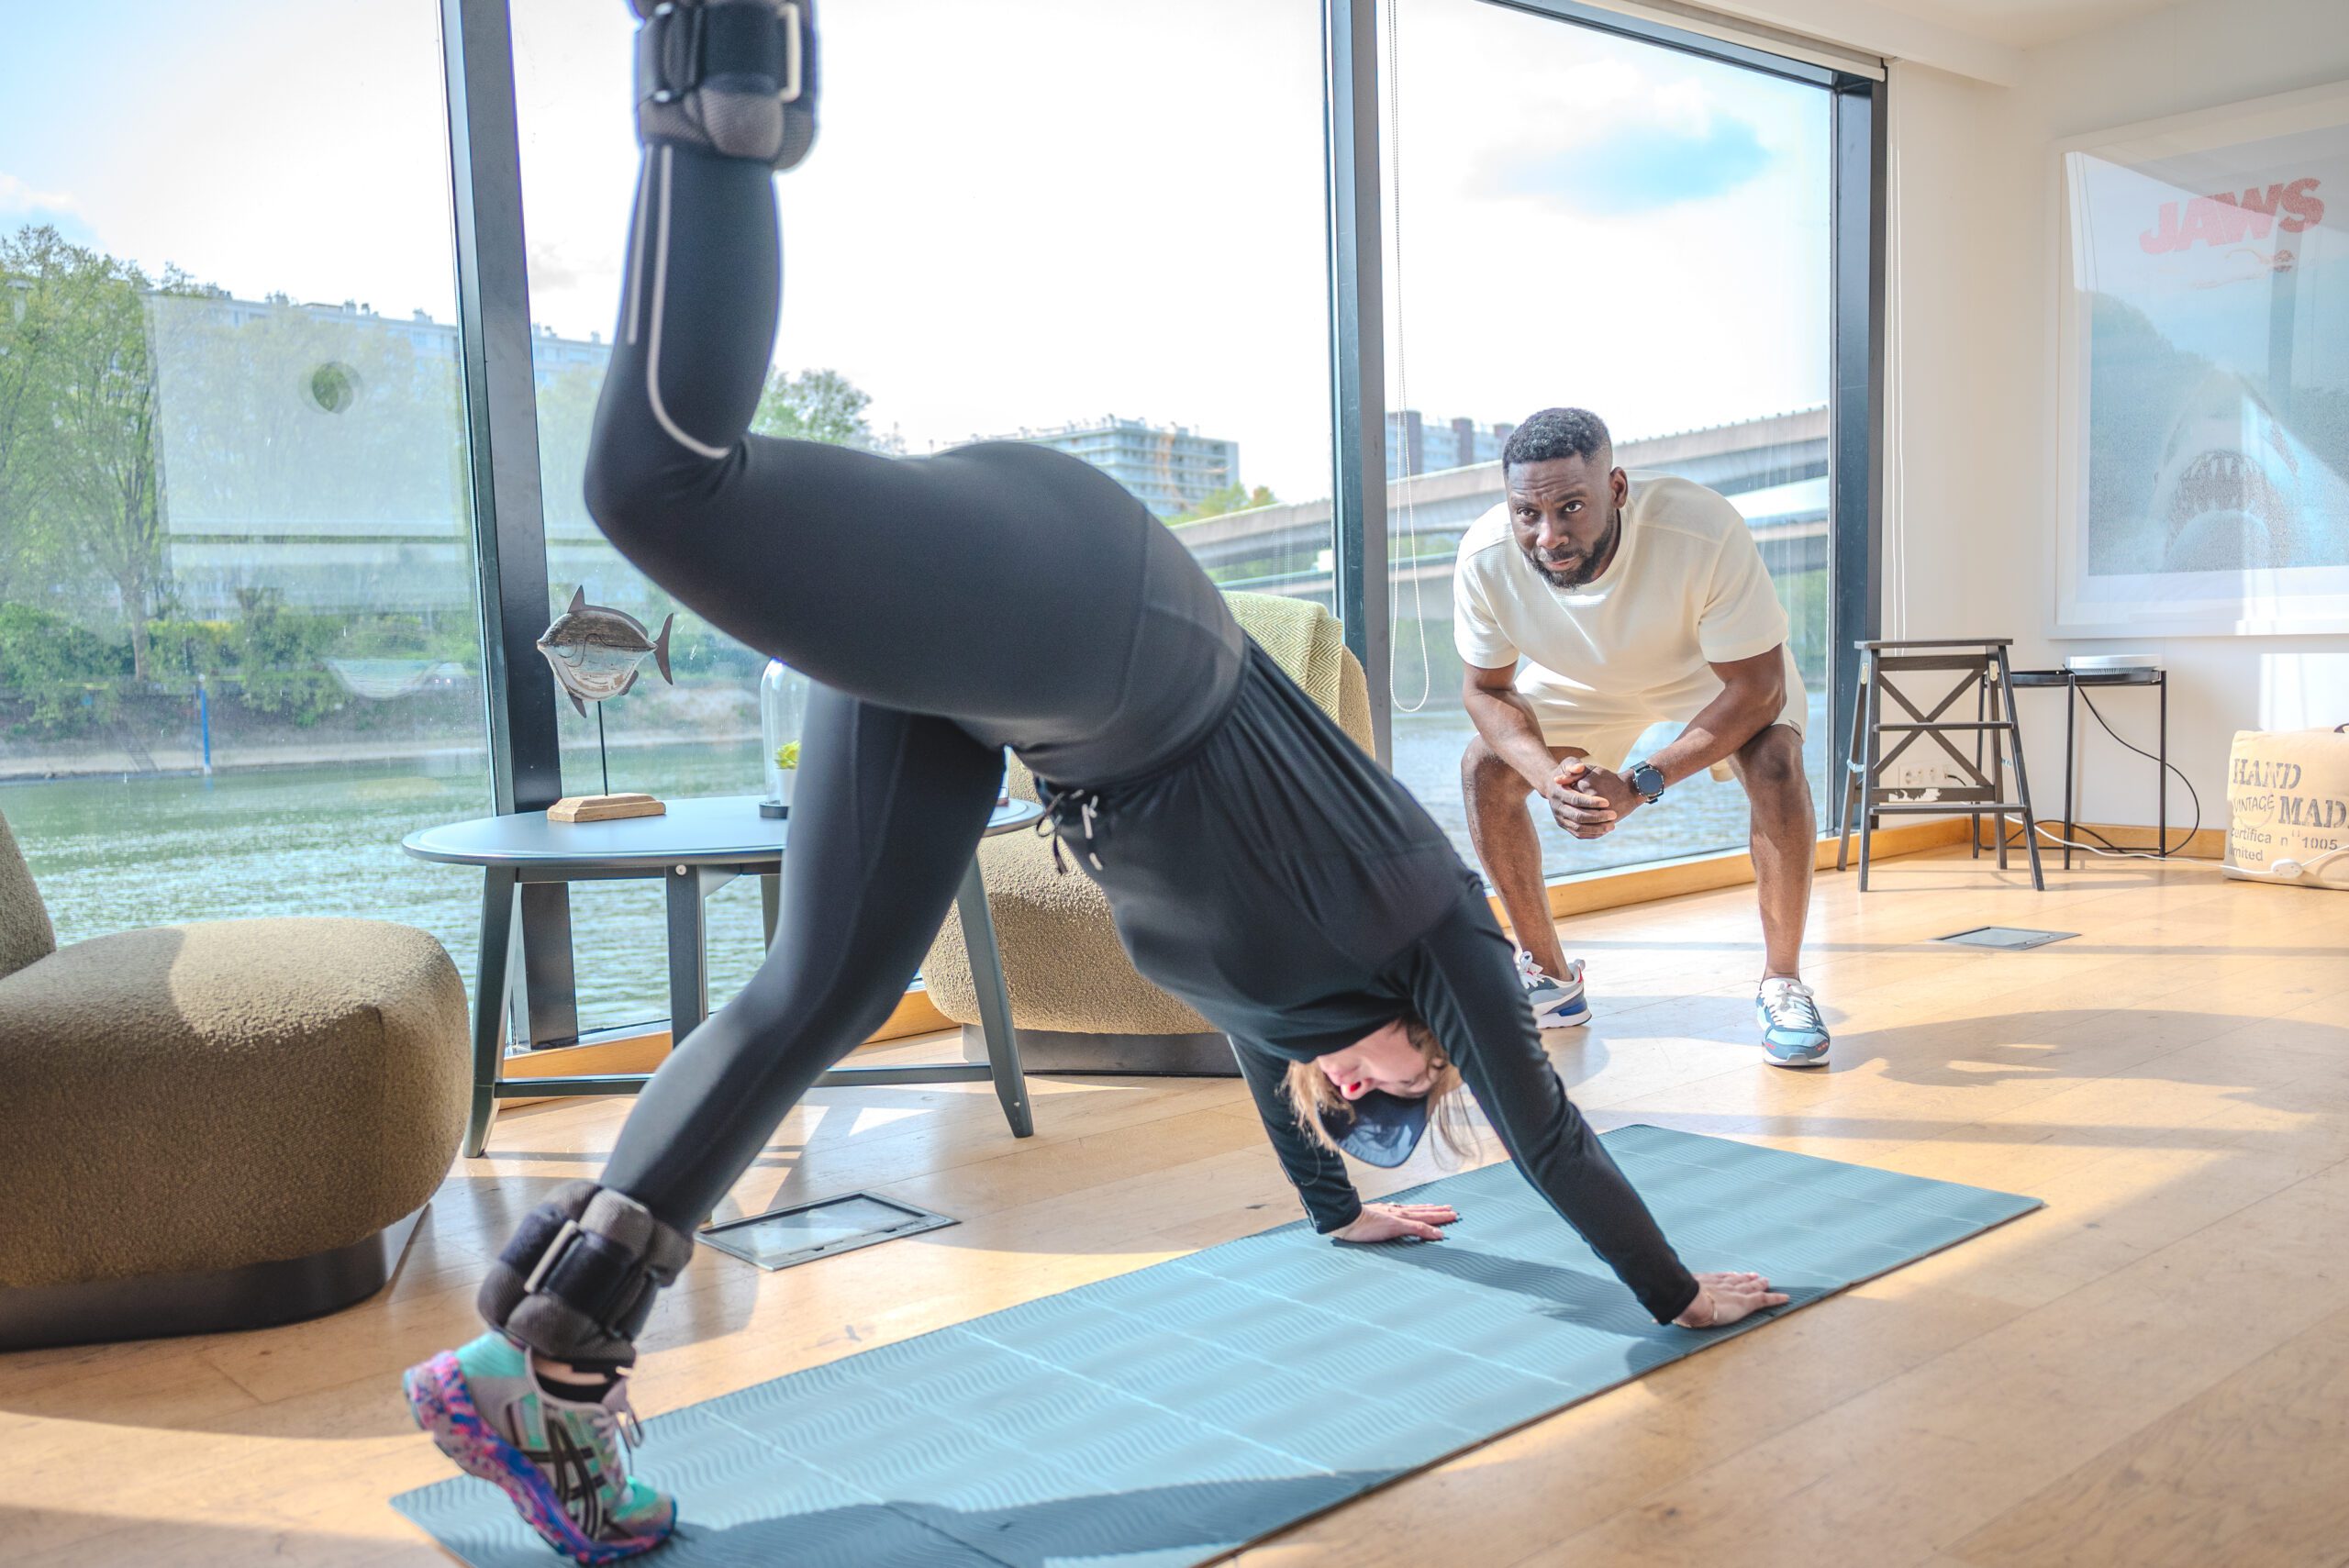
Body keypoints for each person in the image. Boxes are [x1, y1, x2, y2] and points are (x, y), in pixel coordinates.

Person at [401, 7, 1785, 1561]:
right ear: (1434, 1042)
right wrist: (1676, 1293)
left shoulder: (1283, 1028)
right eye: (1413, 1094)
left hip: (1037, 696)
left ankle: (549, 1357)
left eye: (1368, 1113)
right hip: (1114, 620)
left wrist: (1349, 1205)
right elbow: (1548, 1137)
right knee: (658, 490)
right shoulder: (1434, 938)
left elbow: (1300, 1092)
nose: (1388, 1091)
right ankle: (728, 52)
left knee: (826, 985)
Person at [1454, 408, 1831, 1067]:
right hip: (1584, 678)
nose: (1549, 535)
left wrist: (1637, 784)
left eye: (1572, 507)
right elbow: (1486, 689)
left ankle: (1783, 983)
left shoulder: (1701, 528)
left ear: (1618, 488)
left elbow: (1759, 688)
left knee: (1774, 758)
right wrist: (1547, 776)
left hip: (1711, 674)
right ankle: (1550, 981)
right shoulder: (1485, 558)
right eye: (1528, 513)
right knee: (1486, 765)